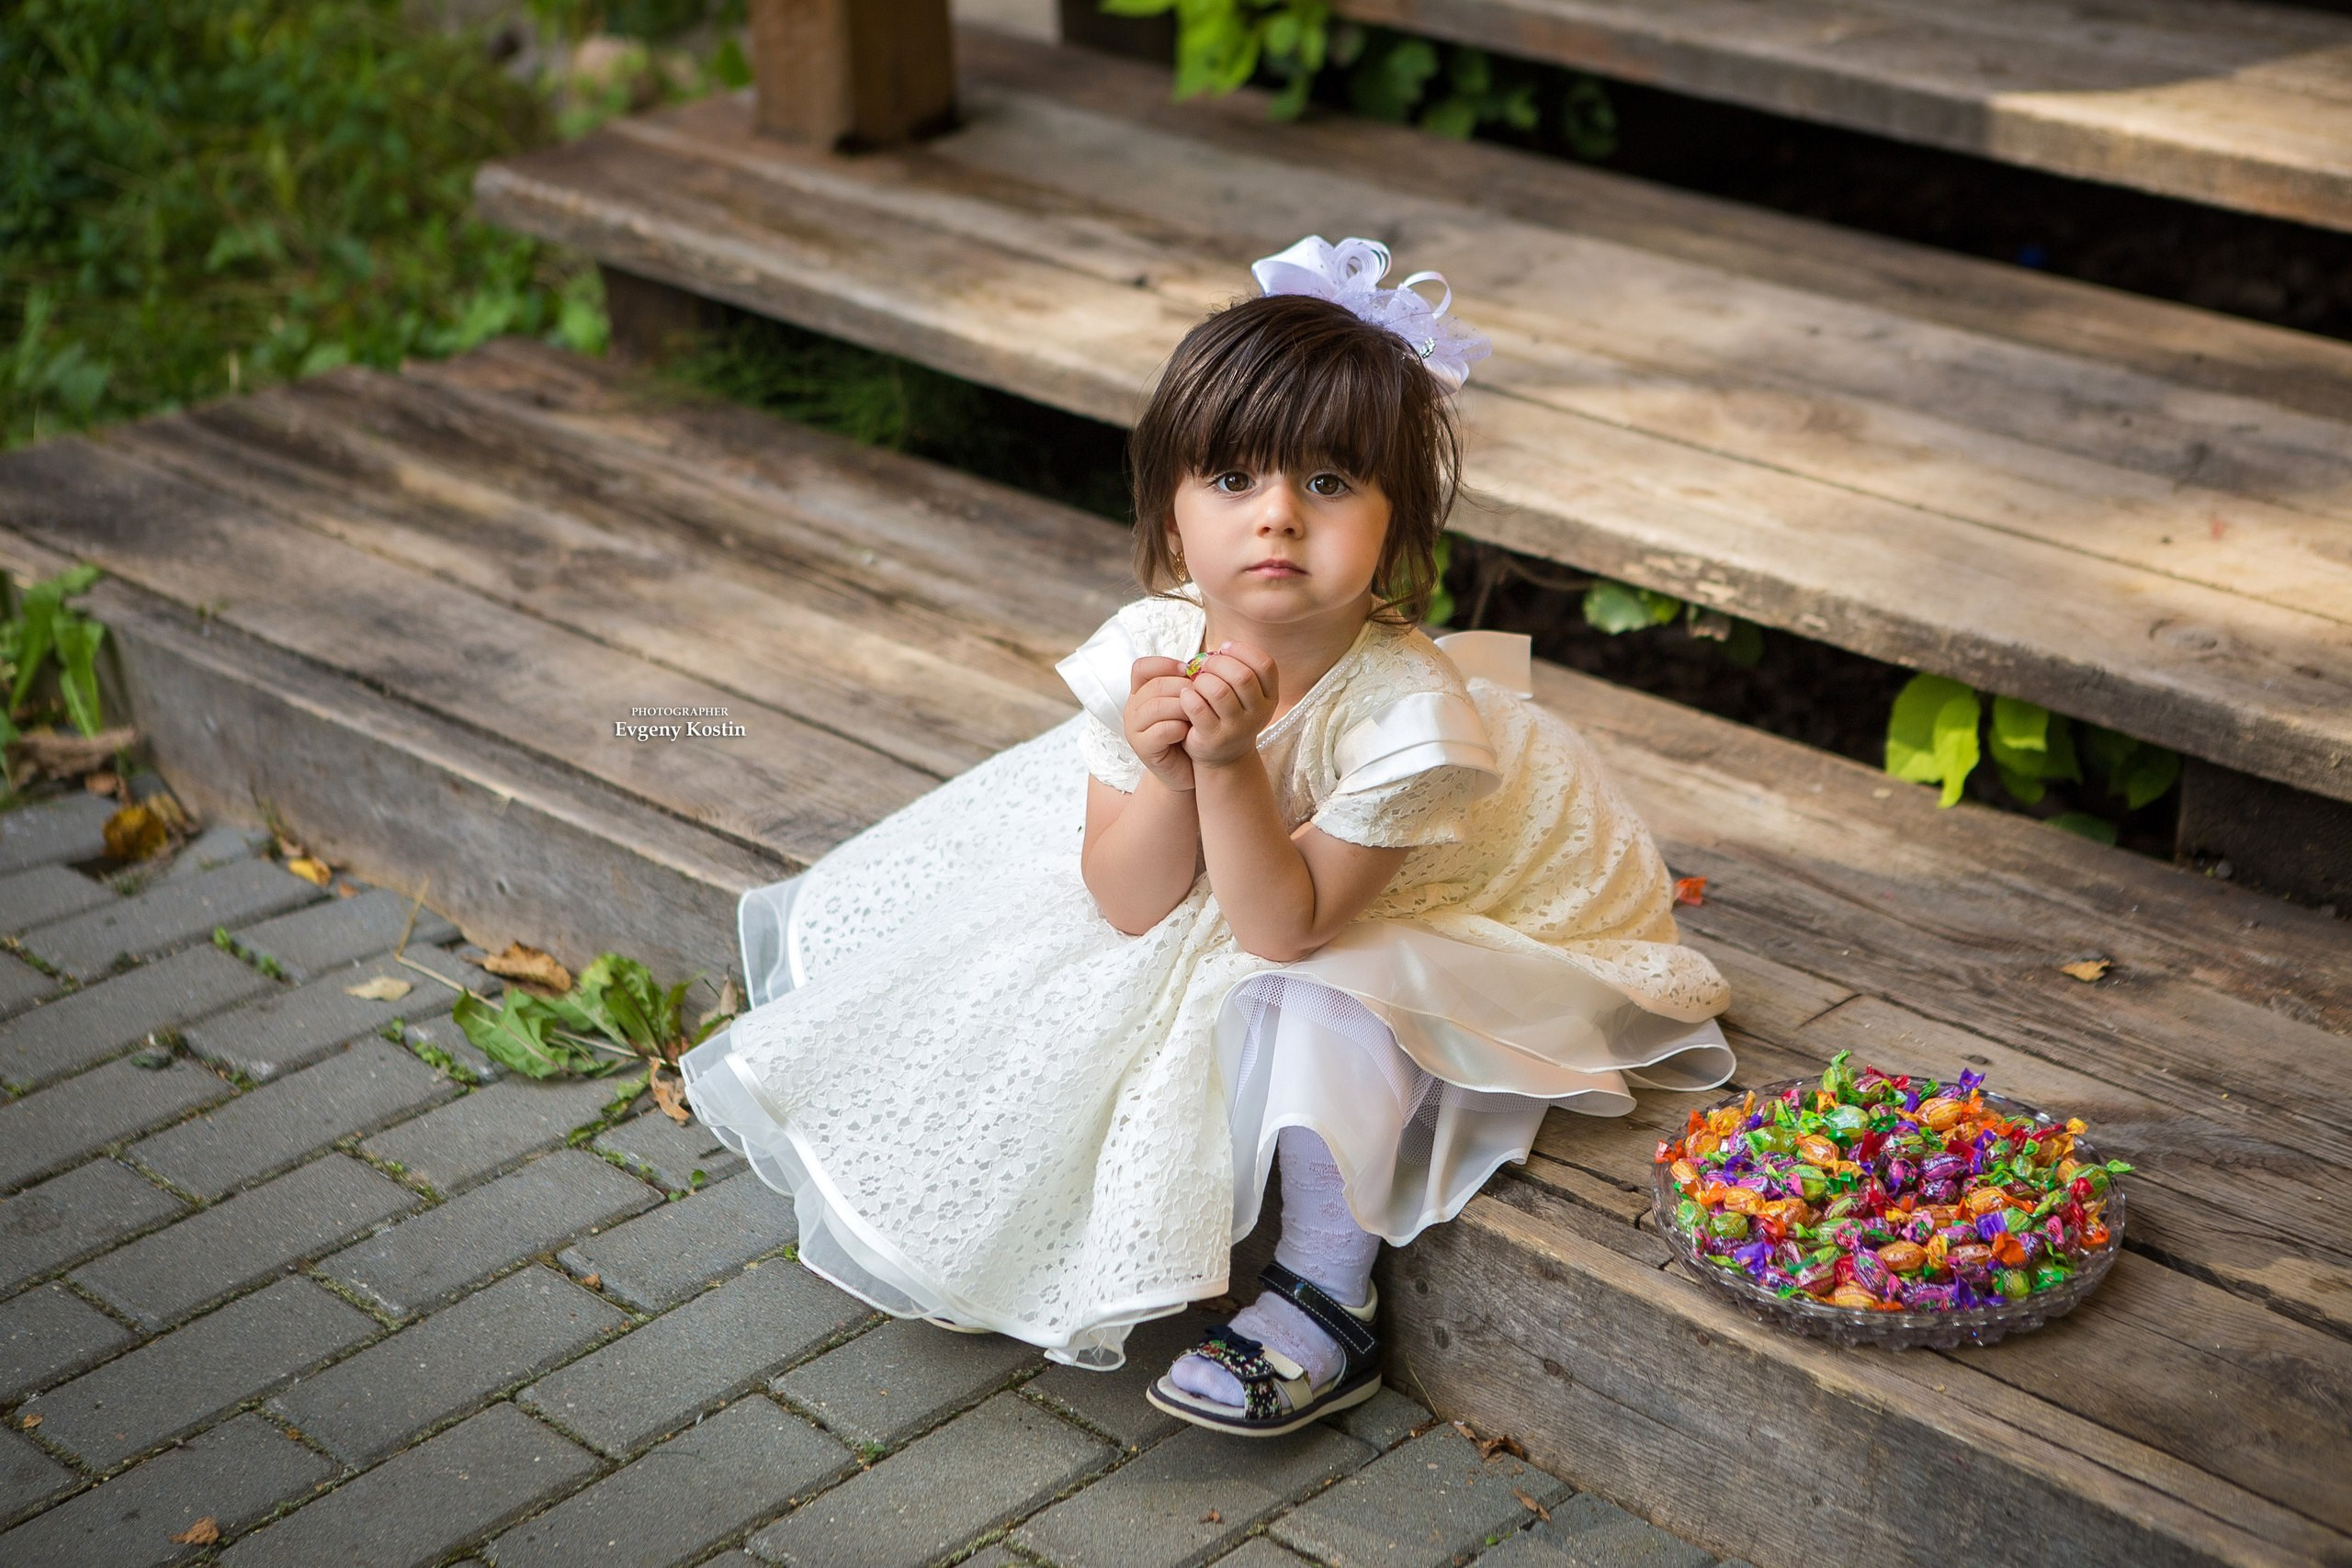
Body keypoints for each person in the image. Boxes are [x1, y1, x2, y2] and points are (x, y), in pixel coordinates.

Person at [681, 235, 1734, 1438]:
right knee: (1063, 965)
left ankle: (1327, 1296)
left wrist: (1229, 765)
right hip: (1246, 844)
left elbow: (1282, 926)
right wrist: (1171, 773)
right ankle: (998, 1206)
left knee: (1325, 1000)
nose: (1277, 515)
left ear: (1394, 527)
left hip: (1437, 886)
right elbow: (1131, 902)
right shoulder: (1153, 642)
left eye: (1329, 483)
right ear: (1174, 523)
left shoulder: (1411, 724)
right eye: (1233, 479)